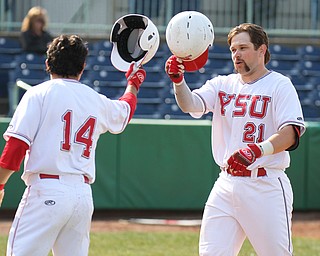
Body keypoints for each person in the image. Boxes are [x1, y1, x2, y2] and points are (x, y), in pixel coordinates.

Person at [165, 23, 306, 255]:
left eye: (243, 47)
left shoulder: (280, 85)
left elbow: (291, 133)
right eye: (233, 49)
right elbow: (191, 104)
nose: (236, 54)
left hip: (265, 184)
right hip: (226, 182)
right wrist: (178, 81)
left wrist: (257, 150)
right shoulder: (223, 83)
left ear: (262, 50)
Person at [0, 34, 146, 255]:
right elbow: (124, 112)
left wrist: (0, 184)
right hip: (82, 196)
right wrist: (133, 84)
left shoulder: (37, 94)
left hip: (46, 190)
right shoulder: (94, 99)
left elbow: (16, 149)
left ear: (48, 63)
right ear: (83, 66)